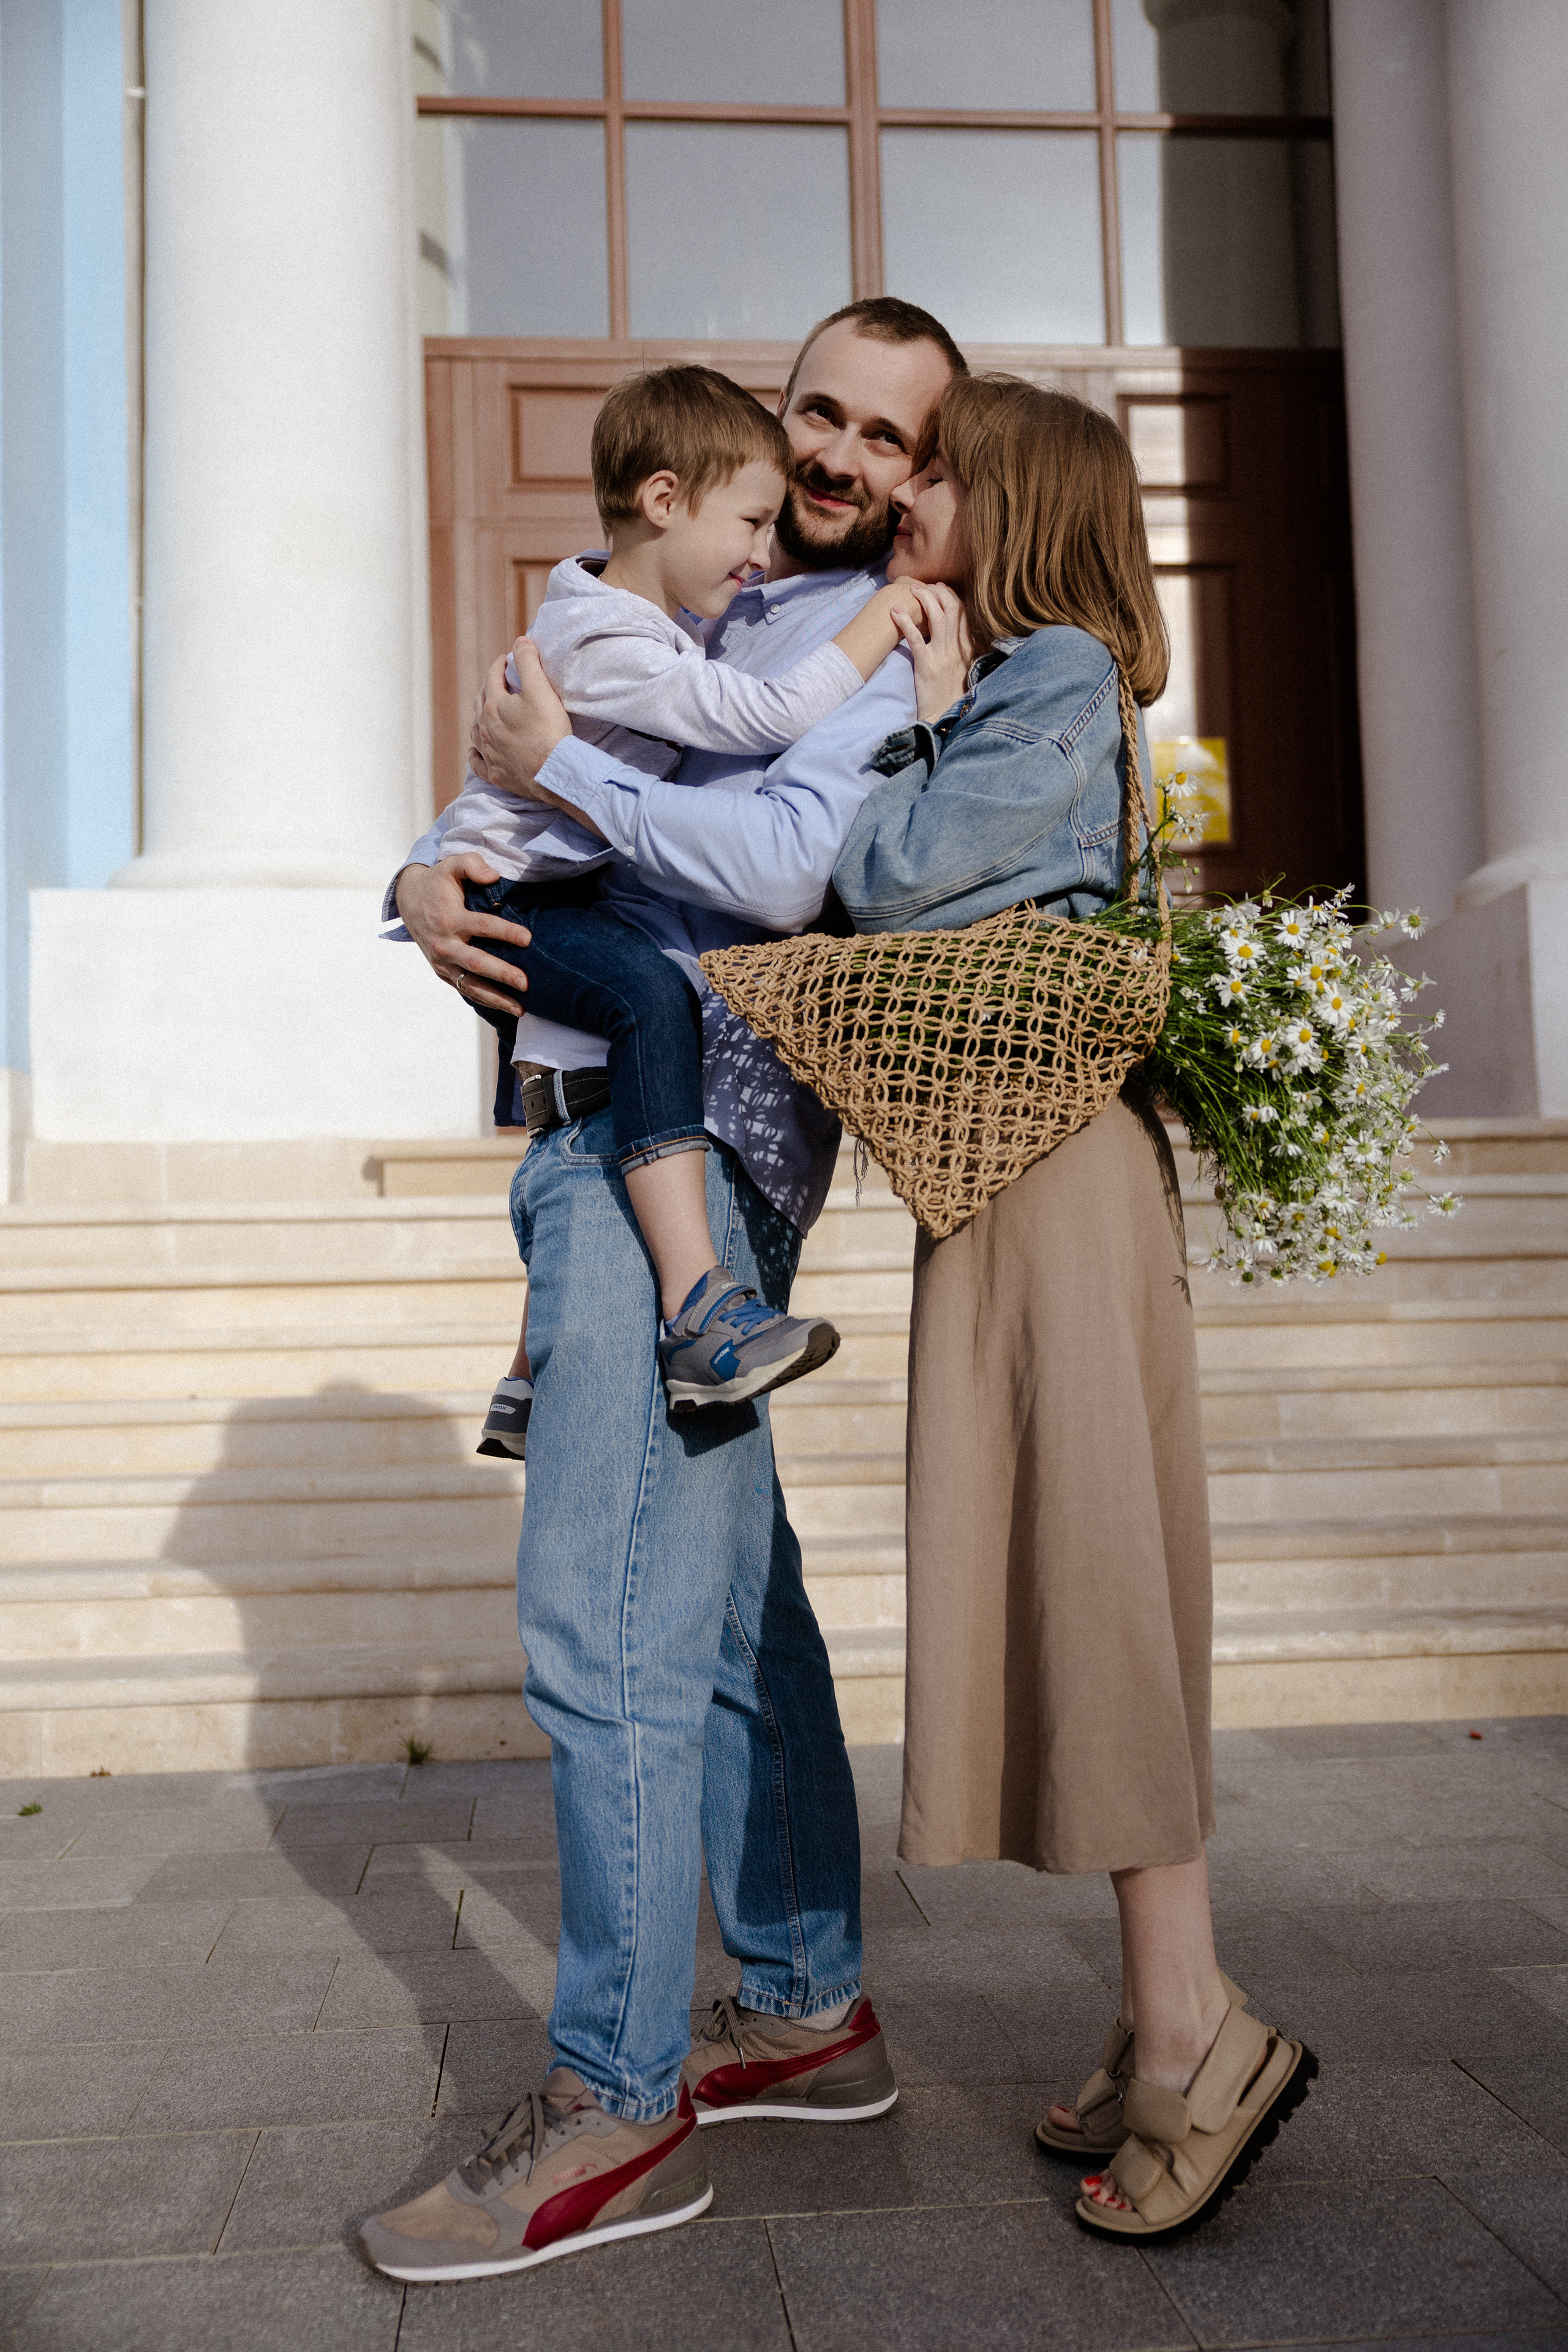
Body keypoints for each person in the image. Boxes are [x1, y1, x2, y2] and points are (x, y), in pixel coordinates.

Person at [358, 299, 968, 2286]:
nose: (844, 459)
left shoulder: (852, 652)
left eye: (890, 441)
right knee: (731, 1598)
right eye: (824, 412)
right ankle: (799, 1994)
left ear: (921, 478)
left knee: (598, 1621)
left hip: (685, 1162)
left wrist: (559, 777)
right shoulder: (702, 595)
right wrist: (434, 873)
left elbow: (782, 872)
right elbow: (536, 795)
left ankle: (618, 2095)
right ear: (772, 420)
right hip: (625, 1123)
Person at [830, 374, 1315, 2241]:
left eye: (933, 469)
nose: (900, 494)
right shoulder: (1058, 684)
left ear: (1013, 502)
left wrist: (927, 720)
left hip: (1046, 1169)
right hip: (1039, 1163)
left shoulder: (1039, 682)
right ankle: (1158, 2014)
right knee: (1089, 1568)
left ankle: (1198, 2031)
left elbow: (882, 883)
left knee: (1097, 1573)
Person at [436, 363, 928, 1448]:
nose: (760, 547)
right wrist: (882, 620)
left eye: (887, 438)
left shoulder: (651, 613)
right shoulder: (623, 638)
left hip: (558, 895)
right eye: (749, 517)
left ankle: (526, 1376)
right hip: (535, 900)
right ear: (666, 501)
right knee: (655, 1001)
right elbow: (764, 713)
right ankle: (698, 1303)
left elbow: (775, 867)